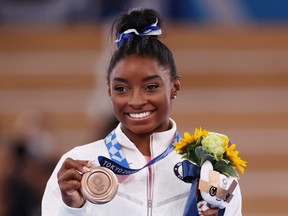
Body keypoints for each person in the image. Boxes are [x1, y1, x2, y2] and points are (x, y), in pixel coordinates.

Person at [42, 8, 242, 216]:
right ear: (109, 91)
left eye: (151, 87)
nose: (135, 101)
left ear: (175, 87)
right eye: (121, 89)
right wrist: (72, 209)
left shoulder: (211, 170)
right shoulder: (79, 165)